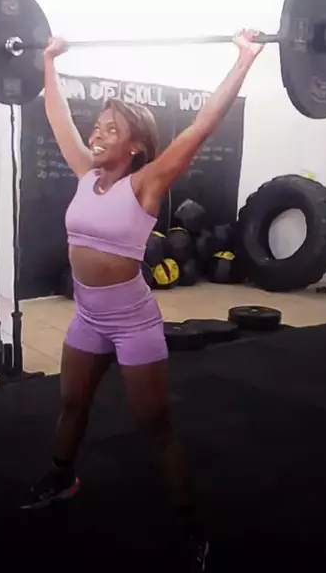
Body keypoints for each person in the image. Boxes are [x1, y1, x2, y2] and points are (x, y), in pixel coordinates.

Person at [22, 30, 264, 571]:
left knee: (155, 425)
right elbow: (57, 117)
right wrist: (48, 63)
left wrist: (244, 59)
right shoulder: (85, 175)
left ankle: (190, 525)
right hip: (87, 316)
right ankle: (62, 477)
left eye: (111, 129)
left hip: (132, 321)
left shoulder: (146, 185)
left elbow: (201, 127)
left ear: (135, 146)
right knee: (72, 404)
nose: (97, 133)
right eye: (98, 125)